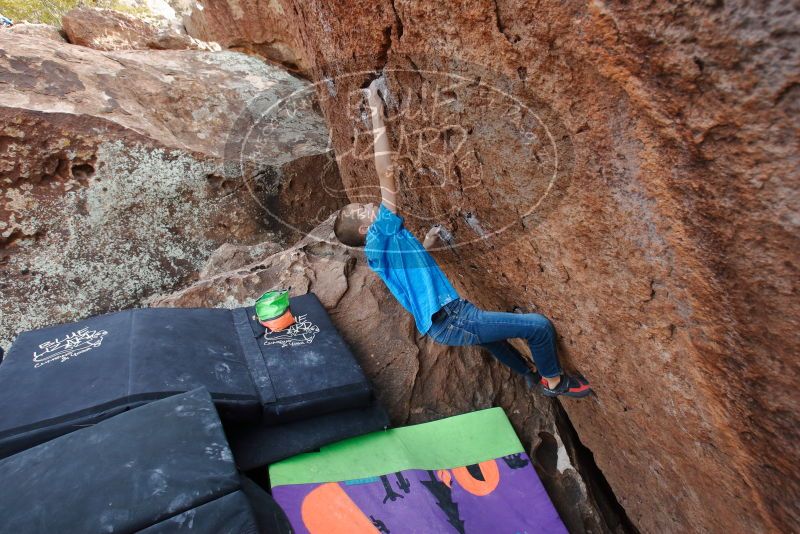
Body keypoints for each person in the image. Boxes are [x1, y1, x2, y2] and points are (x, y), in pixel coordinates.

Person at [333, 79, 591, 398]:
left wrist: (427, 244)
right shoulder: (378, 235)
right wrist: (375, 111)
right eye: (362, 210)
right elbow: (385, 174)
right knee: (537, 327)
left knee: (491, 341)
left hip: (447, 320)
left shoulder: (382, 247)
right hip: (453, 317)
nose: (367, 204)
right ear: (363, 229)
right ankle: (553, 382)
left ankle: (529, 373)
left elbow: (409, 269)